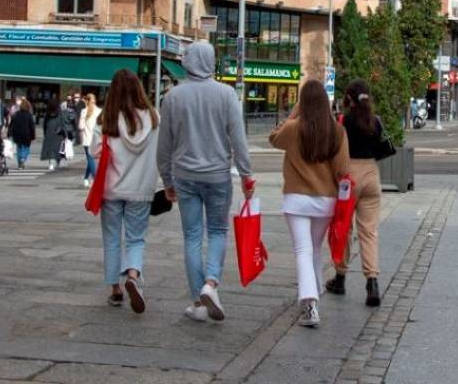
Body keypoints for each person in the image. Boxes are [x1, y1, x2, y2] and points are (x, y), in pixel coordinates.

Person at [158, 42, 253, 323]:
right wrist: (246, 174)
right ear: (210, 61)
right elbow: (238, 139)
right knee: (218, 232)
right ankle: (211, 283)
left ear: (188, 62)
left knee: (191, 237)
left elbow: (164, 146)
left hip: (185, 176)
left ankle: (199, 302)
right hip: (217, 176)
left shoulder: (173, 97)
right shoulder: (226, 95)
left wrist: (167, 179)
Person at [269, 80, 350, 328]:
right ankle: (313, 292)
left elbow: (273, 138)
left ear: (302, 103)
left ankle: (310, 302)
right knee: (314, 249)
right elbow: (343, 169)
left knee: (303, 251)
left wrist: (294, 114)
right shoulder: (336, 131)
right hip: (325, 201)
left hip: (296, 200)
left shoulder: (293, 128)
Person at [90, 69, 159, 314]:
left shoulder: (105, 120)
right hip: (141, 188)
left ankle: (115, 289)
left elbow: (93, 152)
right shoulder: (153, 117)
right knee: (136, 237)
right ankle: (133, 275)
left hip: (111, 187)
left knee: (111, 238)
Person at [325, 80, 383, 307]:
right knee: (369, 231)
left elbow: (333, 150)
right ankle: (372, 282)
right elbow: (386, 147)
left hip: (348, 177)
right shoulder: (375, 122)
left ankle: (340, 277)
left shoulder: (343, 121)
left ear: (348, 98)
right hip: (371, 175)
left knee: (343, 227)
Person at [79, 93, 102, 188]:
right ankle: (86, 179)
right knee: (91, 159)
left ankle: (94, 178)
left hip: (87, 139)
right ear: (95, 100)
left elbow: (80, 126)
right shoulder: (100, 111)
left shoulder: (84, 111)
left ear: (87, 101)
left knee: (90, 159)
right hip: (97, 138)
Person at [8, 99, 36, 170]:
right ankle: (23, 158)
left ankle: (20, 164)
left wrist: (10, 133)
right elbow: (31, 126)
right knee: (26, 148)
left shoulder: (16, 114)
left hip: (17, 134)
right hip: (27, 134)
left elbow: (11, 125)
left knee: (19, 148)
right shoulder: (29, 115)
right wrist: (33, 135)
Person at [41, 99, 67, 171]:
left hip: (49, 132)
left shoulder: (48, 114)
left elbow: (44, 125)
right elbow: (63, 123)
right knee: (59, 148)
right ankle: (58, 162)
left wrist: (45, 133)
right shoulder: (60, 113)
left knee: (50, 149)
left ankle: (51, 164)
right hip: (59, 133)